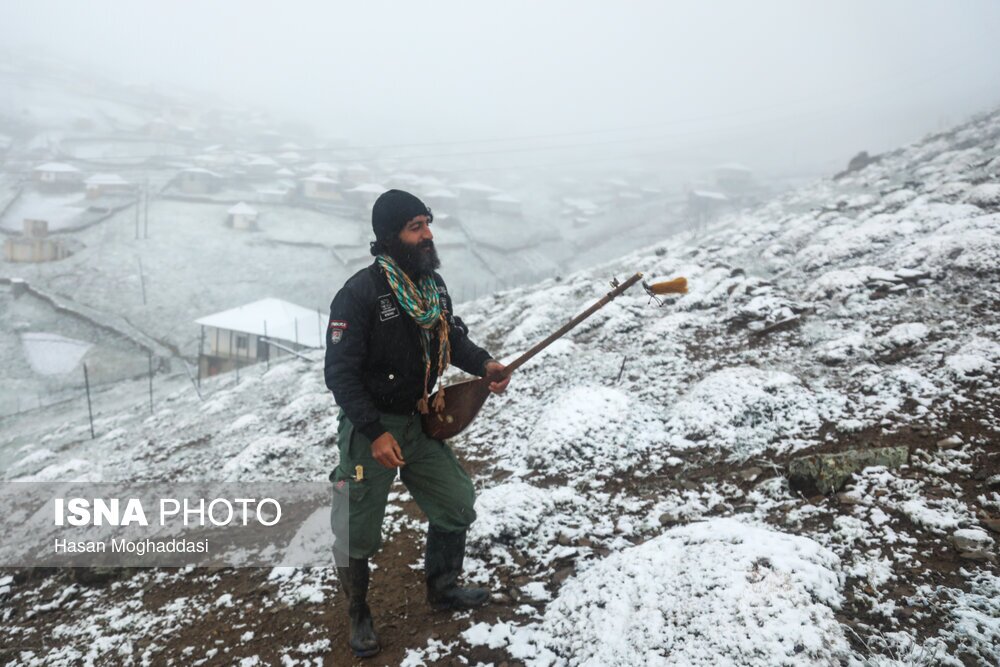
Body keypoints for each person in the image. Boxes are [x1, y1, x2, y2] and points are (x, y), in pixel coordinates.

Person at [325, 189, 509, 658]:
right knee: (356, 527)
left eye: (428, 223)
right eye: (416, 226)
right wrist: (374, 430)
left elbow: (452, 338)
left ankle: (442, 587)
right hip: (372, 429)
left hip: (419, 419)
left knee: (457, 501)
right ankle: (358, 612)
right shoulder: (359, 295)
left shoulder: (432, 288)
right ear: (391, 237)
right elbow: (340, 373)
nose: (428, 235)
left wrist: (484, 365)